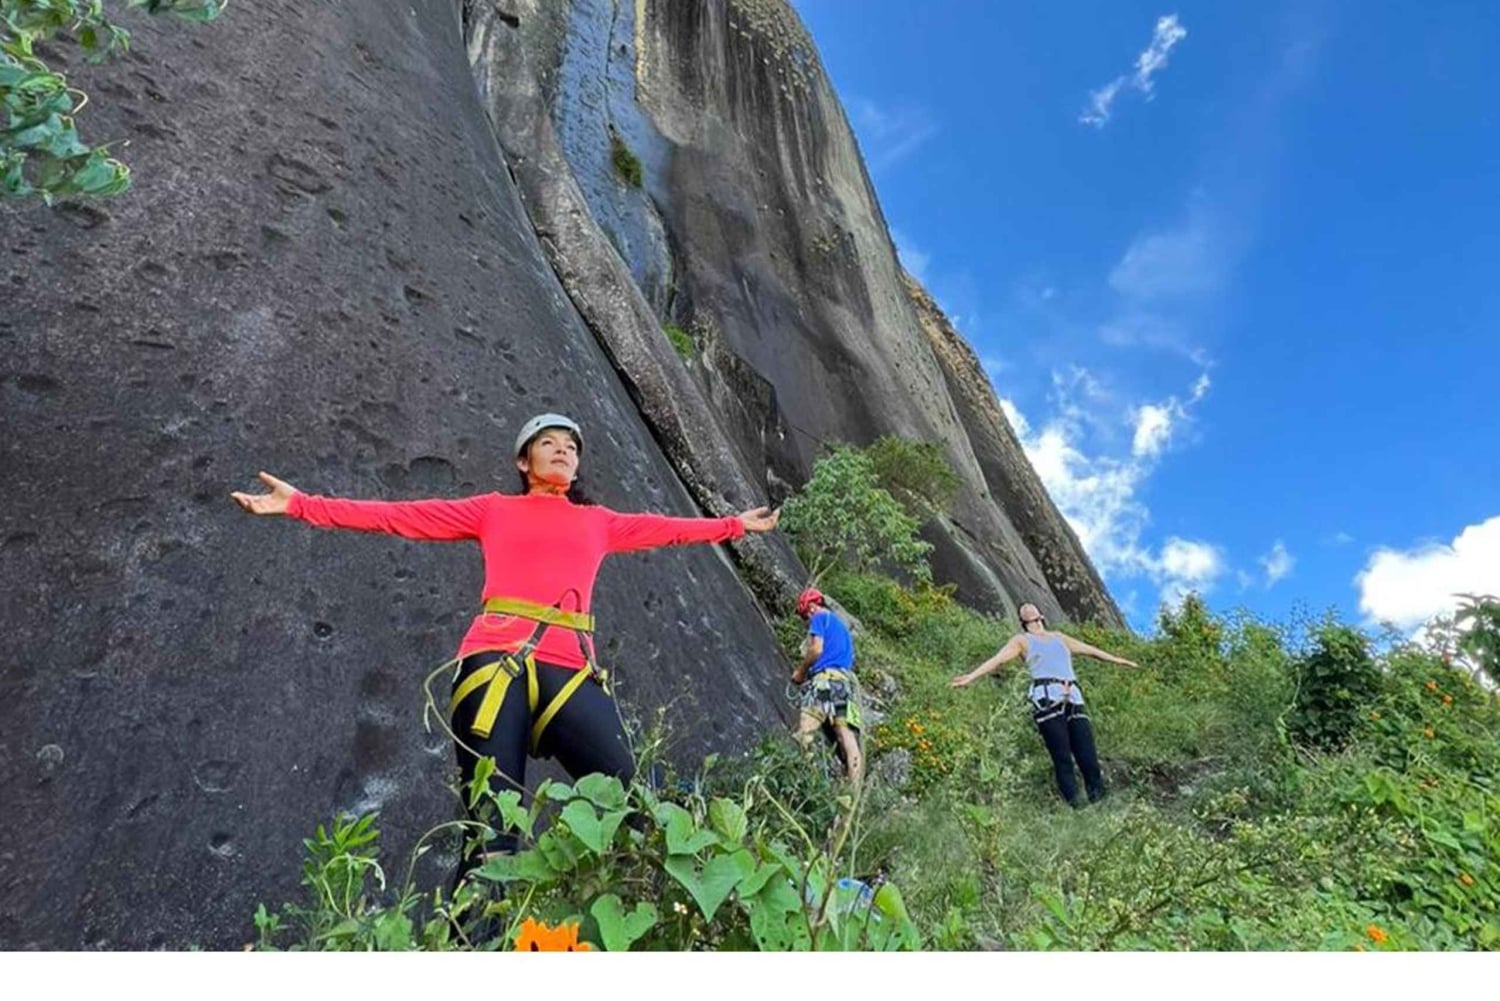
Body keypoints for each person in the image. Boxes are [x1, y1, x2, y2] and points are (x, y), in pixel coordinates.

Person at [230, 412, 781, 880]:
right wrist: (302, 504)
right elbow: (401, 516)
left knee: (642, 803)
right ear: (525, 462)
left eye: (571, 448)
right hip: (495, 668)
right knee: (491, 839)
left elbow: (668, 528)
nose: (563, 451)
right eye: (550, 444)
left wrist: (733, 525)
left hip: (572, 673)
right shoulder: (493, 509)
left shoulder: (600, 523)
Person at [950, 602, 1137, 807]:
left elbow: (1090, 650)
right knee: (1062, 758)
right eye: (1023, 608)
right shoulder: (1022, 640)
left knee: (1088, 757)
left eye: (1032, 605)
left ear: (1041, 614)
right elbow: (998, 660)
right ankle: (1078, 809)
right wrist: (971, 676)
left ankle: (1100, 805)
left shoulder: (1059, 637)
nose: (1027, 605)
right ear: (1023, 620)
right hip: (1046, 699)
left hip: (1073, 697)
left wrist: (1118, 660)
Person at [791, 587, 863, 788]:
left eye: (805, 615)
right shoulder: (842, 629)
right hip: (843, 683)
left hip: (825, 681)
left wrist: (801, 671)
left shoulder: (819, 618)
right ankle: (854, 788)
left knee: (805, 730)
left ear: (811, 607)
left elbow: (816, 649)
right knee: (845, 735)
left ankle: (811, 781)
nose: (806, 621)